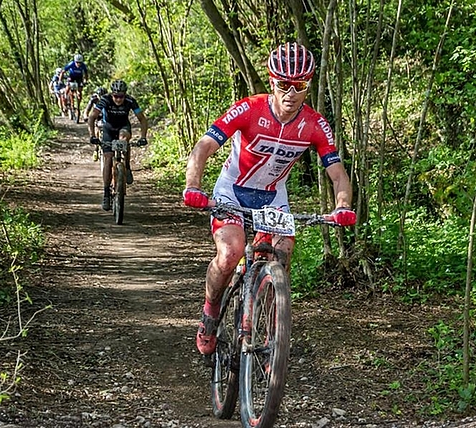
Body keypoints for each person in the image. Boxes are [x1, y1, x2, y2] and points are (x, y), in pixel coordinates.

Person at [182, 42, 356, 356]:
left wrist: (342, 204)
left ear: (308, 85)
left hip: (272, 198)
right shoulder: (249, 108)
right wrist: (193, 186)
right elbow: (203, 147)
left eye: (300, 85)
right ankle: (210, 313)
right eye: (283, 84)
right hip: (232, 192)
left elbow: (338, 173)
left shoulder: (315, 125)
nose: (291, 93)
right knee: (230, 252)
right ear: (271, 82)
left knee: (283, 252)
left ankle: (272, 324)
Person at [87, 79, 149, 211]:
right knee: (108, 158)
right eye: (116, 96)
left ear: (125, 95)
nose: (118, 99)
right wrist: (92, 135)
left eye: (121, 96)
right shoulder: (105, 99)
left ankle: (126, 166)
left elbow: (142, 119)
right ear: (112, 94)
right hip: (108, 129)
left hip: (123, 127)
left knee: (123, 139)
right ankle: (106, 193)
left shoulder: (130, 101)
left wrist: (143, 137)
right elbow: (92, 117)